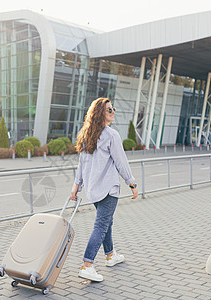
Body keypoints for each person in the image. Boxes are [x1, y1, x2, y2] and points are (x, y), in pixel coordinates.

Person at [70, 97, 138, 282]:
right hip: (108, 189)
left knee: (106, 222)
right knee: (101, 225)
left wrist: (76, 188)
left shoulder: (86, 135)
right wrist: (132, 183)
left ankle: (110, 255)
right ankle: (87, 265)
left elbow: (81, 166)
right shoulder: (111, 135)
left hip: (93, 190)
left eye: (113, 108)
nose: (113, 111)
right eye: (109, 110)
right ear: (100, 113)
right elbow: (121, 162)